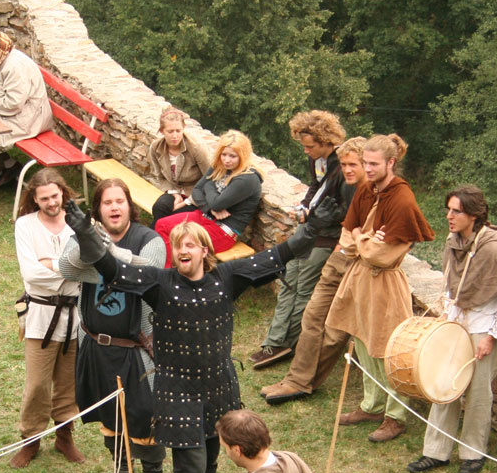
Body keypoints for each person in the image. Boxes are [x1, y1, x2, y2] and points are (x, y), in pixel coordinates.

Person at [65, 200, 315, 473]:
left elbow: (275, 256)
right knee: (191, 467)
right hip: (176, 390)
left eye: (190, 244)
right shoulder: (159, 282)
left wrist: (312, 232)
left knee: (213, 456)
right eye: (177, 244)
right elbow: (112, 269)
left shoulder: (227, 277)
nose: (183, 250)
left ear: (204, 251)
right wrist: (86, 233)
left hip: (219, 386)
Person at [58, 178, 170, 473]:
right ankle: (122, 467)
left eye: (119, 201)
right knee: (109, 411)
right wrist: (88, 241)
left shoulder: (150, 240)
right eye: (107, 202)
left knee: (145, 411)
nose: (114, 208)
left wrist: (104, 253)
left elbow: (144, 274)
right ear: (98, 209)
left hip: (137, 347)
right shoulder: (82, 235)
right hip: (96, 344)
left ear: (129, 205)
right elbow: (68, 268)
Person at [324, 134, 434, 442]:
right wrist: (363, 238)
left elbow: (380, 254)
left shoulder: (402, 199)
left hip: (384, 281)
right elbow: (347, 237)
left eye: (374, 164)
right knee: (361, 339)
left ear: (391, 163)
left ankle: (396, 415)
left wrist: (362, 238)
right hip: (360, 277)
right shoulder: (366, 190)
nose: (368, 169)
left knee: (389, 348)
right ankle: (371, 405)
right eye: (365, 163)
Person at [408, 186, 497, 473]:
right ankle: (436, 452)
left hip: (484, 330)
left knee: (479, 395)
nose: (449, 216)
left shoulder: (496, 249)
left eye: (456, 211)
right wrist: (447, 315)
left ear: (473, 214)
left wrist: (492, 337)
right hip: (456, 327)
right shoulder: (454, 242)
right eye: (449, 209)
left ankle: (472, 453)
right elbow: (449, 285)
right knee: (444, 387)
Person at [261, 137, 369, 405]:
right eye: (343, 164)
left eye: (353, 164)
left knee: (336, 331)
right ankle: (297, 379)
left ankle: (304, 382)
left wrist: (347, 237)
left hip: (360, 267)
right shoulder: (350, 186)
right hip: (339, 258)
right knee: (311, 317)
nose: (347, 170)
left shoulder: (379, 193)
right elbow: (336, 211)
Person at [249, 111, 348, 370]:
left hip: (327, 237)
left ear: (327, 140)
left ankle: (287, 342)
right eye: (304, 146)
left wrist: (316, 216)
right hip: (309, 230)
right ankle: (274, 340)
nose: (306, 151)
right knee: (289, 281)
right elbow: (315, 188)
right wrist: (304, 207)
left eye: (310, 146)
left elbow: (346, 210)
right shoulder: (319, 161)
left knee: (303, 288)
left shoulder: (344, 167)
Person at [10, 168, 85, 469]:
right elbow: (31, 275)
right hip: (41, 316)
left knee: (69, 382)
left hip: (75, 316)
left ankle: (64, 436)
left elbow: (90, 269)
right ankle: (31, 439)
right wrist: (69, 272)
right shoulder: (26, 226)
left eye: (55, 196)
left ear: (63, 193)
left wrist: (51, 265)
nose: (51, 203)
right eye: (44, 199)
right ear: (35, 199)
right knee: (38, 383)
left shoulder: (79, 223)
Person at [153, 129, 262, 262]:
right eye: (224, 154)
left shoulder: (247, 179)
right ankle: (164, 267)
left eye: (233, 156)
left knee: (186, 243)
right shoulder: (219, 166)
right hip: (204, 215)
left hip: (223, 230)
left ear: (243, 156)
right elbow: (197, 190)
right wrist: (210, 209)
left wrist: (208, 186)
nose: (227, 160)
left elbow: (217, 203)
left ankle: (174, 274)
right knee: (162, 225)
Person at [0, 30, 54, 189]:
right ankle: (8, 165)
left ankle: (5, 170)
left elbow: (14, 103)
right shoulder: (0, 59)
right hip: (17, 113)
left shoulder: (15, 67)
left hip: (29, 118)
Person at [147, 107, 212, 223]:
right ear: (162, 131)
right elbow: (160, 177)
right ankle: (162, 238)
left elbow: (210, 178)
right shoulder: (156, 148)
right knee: (159, 208)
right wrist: (175, 194)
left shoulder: (196, 148)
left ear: (183, 129)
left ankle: (158, 238)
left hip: (195, 193)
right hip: (174, 190)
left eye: (178, 131)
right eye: (170, 131)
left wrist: (188, 201)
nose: (175, 136)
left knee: (176, 218)